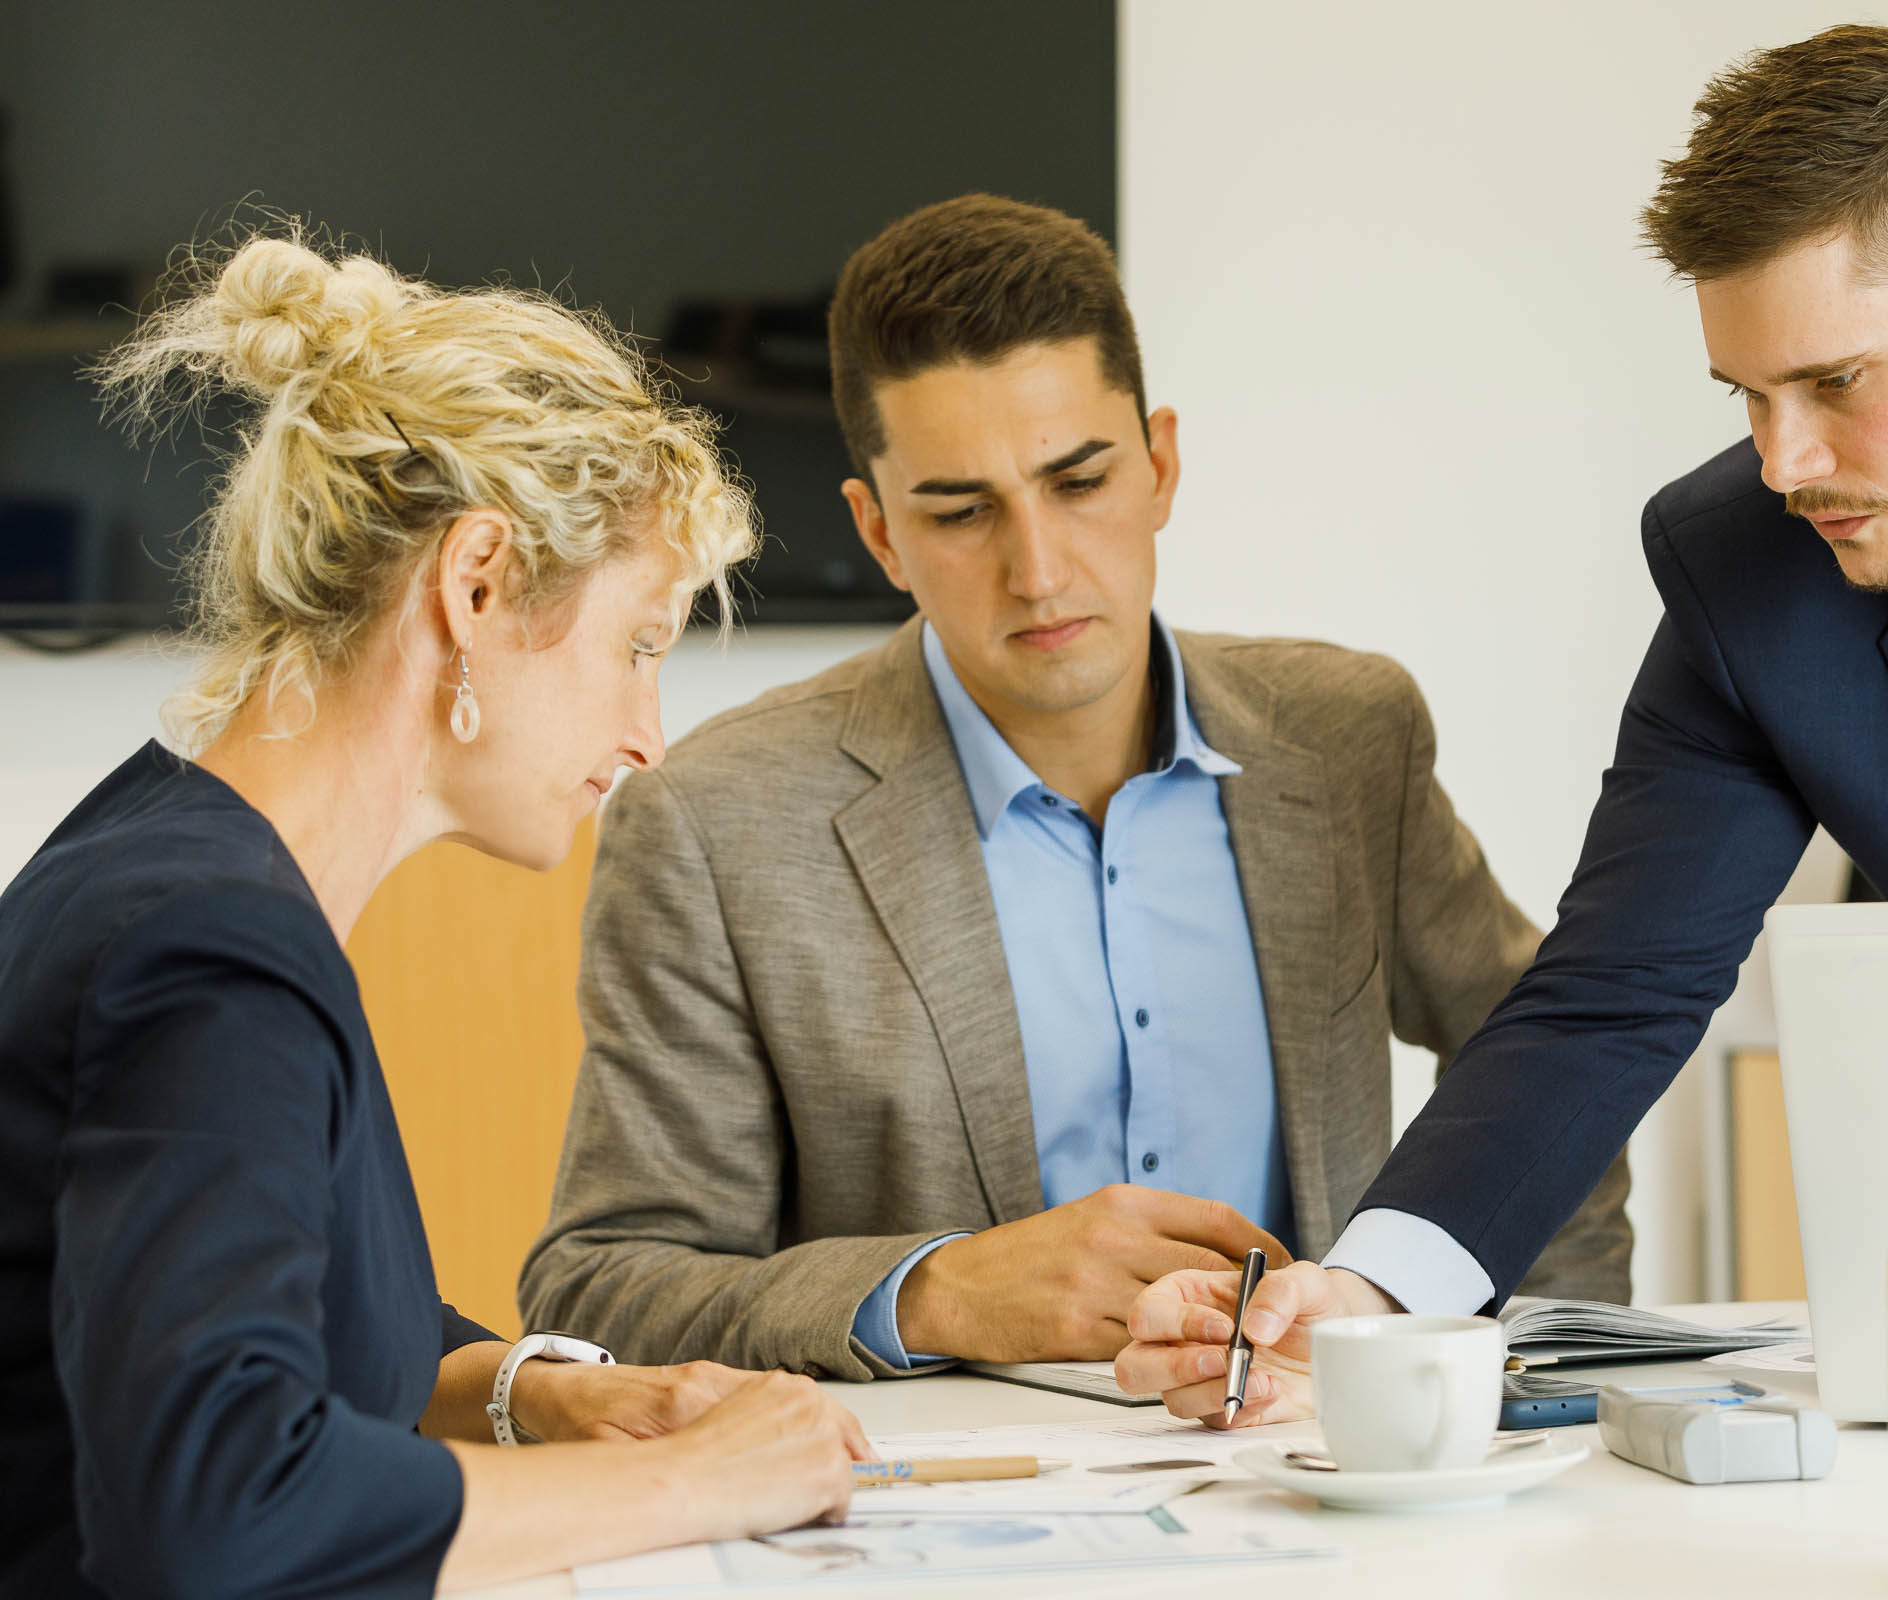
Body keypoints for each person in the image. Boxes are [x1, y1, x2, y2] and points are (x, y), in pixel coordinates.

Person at [1117, 20, 1888, 1423]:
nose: (1786, 463)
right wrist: (1363, 1300)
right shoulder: (1758, 572)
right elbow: (1612, 993)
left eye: (1838, 382)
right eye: (1747, 393)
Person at [517, 194, 1634, 1381]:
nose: (1039, 570)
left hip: (1319, 1490)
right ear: (880, 533)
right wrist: (936, 1290)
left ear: (1159, 464)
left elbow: (1549, 1072)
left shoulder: (1352, 739)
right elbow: (606, 1283)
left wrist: (1532, 1374)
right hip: (948, 1531)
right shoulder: (712, 823)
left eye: (1080, 481)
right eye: (959, 510)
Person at [0, 232, 872, 1598]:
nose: (650, 734)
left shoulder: (169, 852)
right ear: (473, 586)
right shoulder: (209, 953)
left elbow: (289, 1327)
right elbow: (214, 1508)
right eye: (639, 642)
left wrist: (533, 1391)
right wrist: (690, 1484)